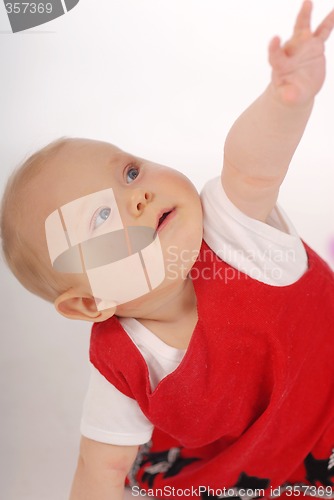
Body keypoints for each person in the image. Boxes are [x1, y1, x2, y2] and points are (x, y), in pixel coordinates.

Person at [1, 1, 334, 499]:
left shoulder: (229, 227)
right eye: (102, 219)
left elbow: (251, 166)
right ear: (91, 304)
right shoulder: (123, 365)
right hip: (247, 464)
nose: (137, 196)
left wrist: (285, 101)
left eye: (130, 172)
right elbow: (101, 469)